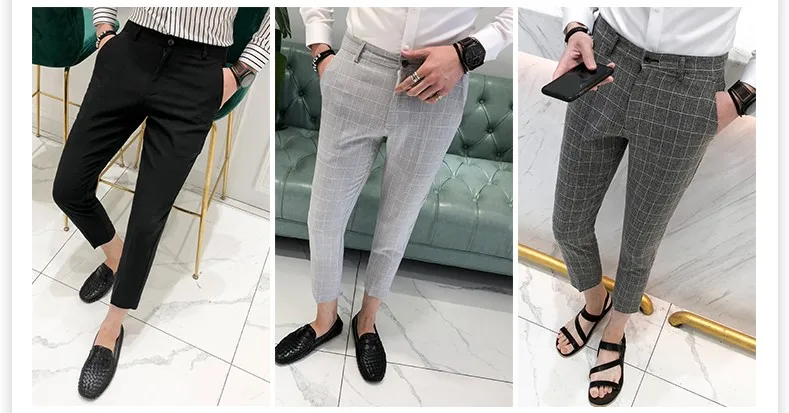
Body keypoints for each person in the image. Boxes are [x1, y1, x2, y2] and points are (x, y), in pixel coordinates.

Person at [275, 7, 513, 382]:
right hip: (359, 68)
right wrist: (320, 48)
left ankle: (367, 321)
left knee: (397, 222)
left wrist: (467, 53)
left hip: (438, 83)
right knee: (323, 217)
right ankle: (325, 320)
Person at [52, 7, 269, 399]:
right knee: (68, 187)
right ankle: (116, 258)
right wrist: (105, 31)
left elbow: (271, 18)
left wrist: (240, 72)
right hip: (131, 51)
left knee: (147, 218)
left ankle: (111, 328)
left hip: (198, 71)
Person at [550, 7, 755, 406]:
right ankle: (595, 301)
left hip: (688, 86)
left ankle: (615, 331)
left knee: (641, 240)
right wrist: (575, 26)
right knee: (568, 222)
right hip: (604, 57)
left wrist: (741, 96)